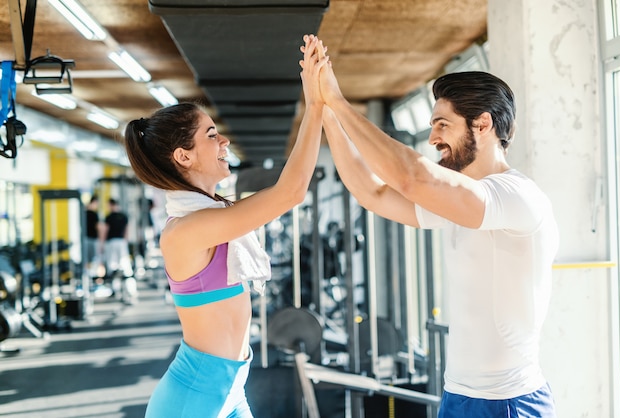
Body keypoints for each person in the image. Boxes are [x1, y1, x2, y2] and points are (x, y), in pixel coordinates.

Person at [311, 41, 559, 417]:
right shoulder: (460, 204)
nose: (432, 139)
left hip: (508, 402)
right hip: (457, 395)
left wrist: (340, 101)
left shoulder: (516, 197)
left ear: (484, 123)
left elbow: (413, 178)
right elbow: (372, 192)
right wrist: (327, 109)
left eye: (443, 124)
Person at [123, 34, 326, 418]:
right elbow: (291, 192)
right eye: (212, 135)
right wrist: (314, 105)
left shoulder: (210, 214)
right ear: (183, 155)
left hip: (229, 388)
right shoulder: (187, 229)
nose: (224, 141)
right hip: (193, 401)